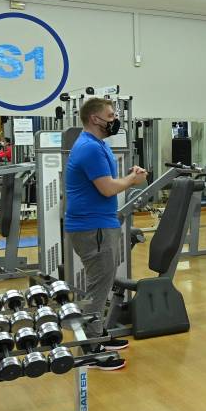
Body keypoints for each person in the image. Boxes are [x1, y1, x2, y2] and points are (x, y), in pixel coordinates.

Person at [65, 97, 148, 370]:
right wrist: (132, 180)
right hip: (94, 227)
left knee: (102, 281)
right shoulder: (89, 148)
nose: (115, 120)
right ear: (95, 119)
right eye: (111, 116)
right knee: (98, 287)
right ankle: (89, 350)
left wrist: (128, 176)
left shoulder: (98, 145)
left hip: (98, 223)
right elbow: (108, 189)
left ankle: (97, 335)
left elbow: (108, 182)